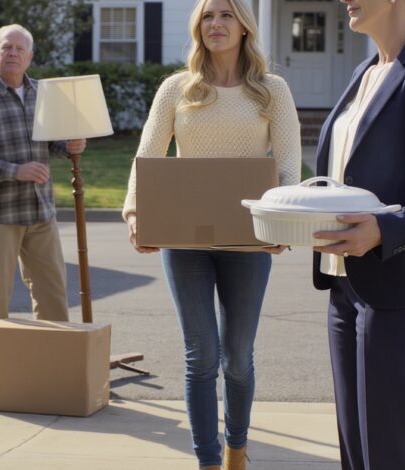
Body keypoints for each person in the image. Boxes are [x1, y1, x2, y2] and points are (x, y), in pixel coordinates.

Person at [122, 0, 301, 468]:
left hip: (247, 239)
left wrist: (282, 222)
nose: (215, 24)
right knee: (201, 355)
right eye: (207, 16)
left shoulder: (272, 91)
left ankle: (236, 450)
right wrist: (135, 212)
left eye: (225, 15)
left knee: (237, 357)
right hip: (185, 240)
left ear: (244, 26)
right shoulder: (176, 89)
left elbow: (286, 165)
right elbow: (149, 155)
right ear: (197, 26)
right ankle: (206, 460)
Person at [311, 0, 405, 468]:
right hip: (343, 285)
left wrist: (386, 229)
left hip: (404, 289)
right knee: (356, 451)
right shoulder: (364, 73)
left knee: (388, 451)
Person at [0, 24, 86, 326]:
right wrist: (16, 171)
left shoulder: (44, 94)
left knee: (52, 293)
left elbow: (54, 142)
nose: (12, 53)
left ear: (29, 57)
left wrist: (70, 146)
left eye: (19, 49)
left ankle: (52, 364)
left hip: (40, 210)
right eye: (6, 47)